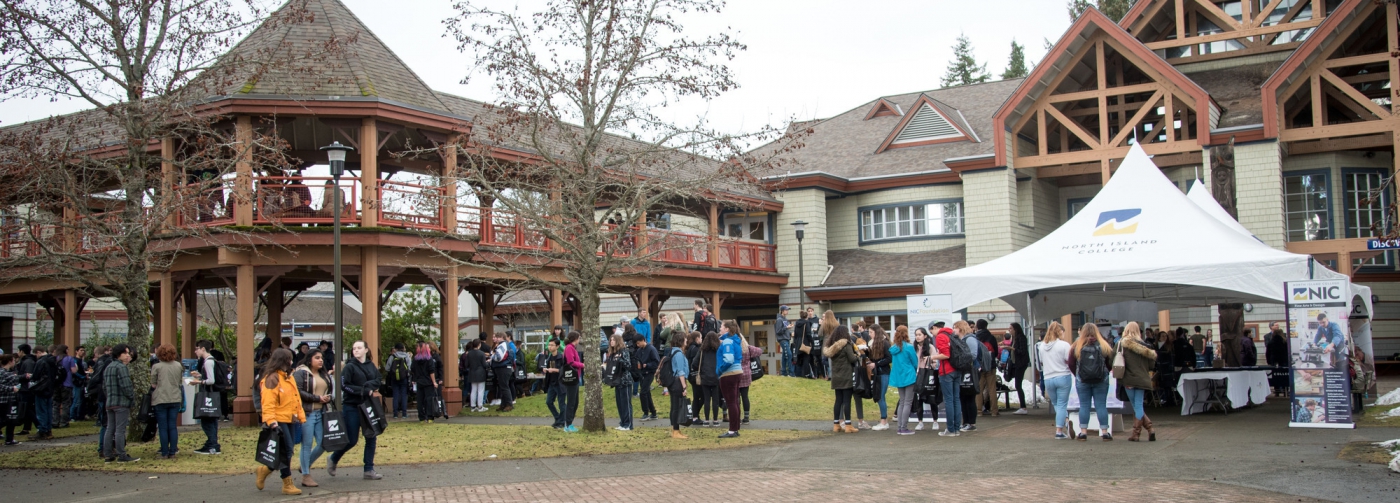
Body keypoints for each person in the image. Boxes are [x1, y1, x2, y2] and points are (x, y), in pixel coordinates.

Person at [327, 340, 384, 480]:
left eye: (359, 348)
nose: (356, 350)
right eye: (354, 348)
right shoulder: (349, 367)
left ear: (366, 350)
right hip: (352, 406)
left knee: (371, 436)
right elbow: (345, 385)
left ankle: (368, 469)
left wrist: (369, 387)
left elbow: (378, 379)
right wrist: (364, 390)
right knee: (351, 440)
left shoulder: (371, 365)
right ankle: (334, 458)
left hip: (367, 406)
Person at [255, 348, 303, 495]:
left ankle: (265, 470)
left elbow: (295, 398)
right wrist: (272, 421)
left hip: (290, 419)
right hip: (278, 419)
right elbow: (268, 402)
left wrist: (299, 416)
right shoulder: (272, 378)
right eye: (289, 358)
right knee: (286, 450)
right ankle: (287, 483)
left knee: (286, 451)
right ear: (283, 360)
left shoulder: (289, 377)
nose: (291, 361)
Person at [293, 348, 333, 488]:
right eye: (317, 358)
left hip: (320, 413)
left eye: (321, 358)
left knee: (323, 443)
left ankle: (305, 464)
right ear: (309, 359)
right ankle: (306, 475)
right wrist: (317, 398)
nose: (320, 360)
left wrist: (327, 398)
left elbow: (329, 389)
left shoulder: (323, 374)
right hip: (307, 413)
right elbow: (298, 391)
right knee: (307, 444)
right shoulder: (301, 373)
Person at [1067, 325, 1114, 441]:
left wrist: (1078, 374)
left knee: (1084, 405)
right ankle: (1104, 432)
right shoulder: (1103, 345)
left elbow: (1071, 363)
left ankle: (1083, 432)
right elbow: (1110, 362)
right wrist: (1105, 372)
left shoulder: (1076, 345)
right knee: (1101, 405)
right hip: (1101, 380)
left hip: (1082, 380)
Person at [1118, 322, 1158, 442]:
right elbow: (1152, 365)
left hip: (1128, 379)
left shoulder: (1121, 344)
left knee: (1136, 406)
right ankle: (1150, 429)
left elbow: (1112, 357)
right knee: (1138, 405)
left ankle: (1136, 434)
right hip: (1142, 380)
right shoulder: (1146, 346)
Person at [101, 344, 138, 463]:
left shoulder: (108, 367)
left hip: (110, 402)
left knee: (109, 428)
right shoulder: (121, 368)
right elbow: (126, 386)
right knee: (120, 430)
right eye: (125, 353)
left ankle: (107, 454)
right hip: (121, 402)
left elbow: (104, 386)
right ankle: (121, 454)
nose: (128, 355)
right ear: (119, 354)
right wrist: (131, 398)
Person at [1037, 321, 1072, 439]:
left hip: (1048, 378)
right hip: (1063, 376)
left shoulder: (1042, 346)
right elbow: (1069, 360)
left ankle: (1066, 421)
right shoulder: (1064, 345)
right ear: (1060, 332)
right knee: (1062, 404)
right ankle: (1059, 430)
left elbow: (1041, 362)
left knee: (1057, 404)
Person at [190, 340, 224, 454]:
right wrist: (200, 375)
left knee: (207, 420)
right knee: (212, 420)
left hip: (208, 394)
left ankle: (212, 444)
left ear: (203, 348)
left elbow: (211, 380)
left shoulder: (208, 362)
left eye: (197, 349)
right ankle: (212, 443)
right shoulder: (212, 360)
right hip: (213, 394)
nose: (196, 351)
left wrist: (198, 382)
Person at [824, 324, 859, 433]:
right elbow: (852, 359)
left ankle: (836, 425)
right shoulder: (846, 344)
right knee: (847, 401)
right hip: (846, 376)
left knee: (838, 400)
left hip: (836, 377)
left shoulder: (832, 347)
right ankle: (848, 425)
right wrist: (857, 355)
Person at [150, 344, 183, 459]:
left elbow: (153, 383)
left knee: (163, 427)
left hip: (160, 398)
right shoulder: (178, 365)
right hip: (174, 397)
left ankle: (164, 451)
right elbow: (179, 381)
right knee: (172, 426)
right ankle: (173, 451)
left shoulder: (157, 366)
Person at [715, 320, 746, 438]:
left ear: (727, 329)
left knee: (731, 402)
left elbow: (728, 359)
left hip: (729, 373)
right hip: (737, 371)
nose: (720, 329)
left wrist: (720, 370)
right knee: (735, 401)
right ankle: (735, 428)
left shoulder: (727, 341)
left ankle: (732, 430)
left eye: (721, 327)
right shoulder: (735, 340)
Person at [889, 325, 918, 435]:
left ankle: (900, 427)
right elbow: (915, 362)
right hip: (909, 376)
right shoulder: (909, 347)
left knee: (902, 401)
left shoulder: (894, 348)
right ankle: (904, 427)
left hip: (898, 377)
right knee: (907, 402)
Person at [865, 326, 892, 430]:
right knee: (879, 396)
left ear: (876, 332)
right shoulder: (872, 343)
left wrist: (876, 364)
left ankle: (884, 421)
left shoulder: (884, 343)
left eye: (871, 332)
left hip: (883, 372)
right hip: (877, 373)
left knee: (880, 396)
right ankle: (884, 420)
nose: (869, 334)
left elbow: (889, 358)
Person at [664, 330, 690, 438]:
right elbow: (680, 371)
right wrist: (684, 386)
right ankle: (675, 430)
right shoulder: (678, 353)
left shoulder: (672, 351)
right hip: (677, 382)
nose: (687, 341)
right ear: (681, 340)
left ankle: (676, 429)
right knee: (676, 407)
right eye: (685, 339)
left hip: (673, 382)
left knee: (675, 406)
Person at [606, 334, 634, 431]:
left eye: (613, 340)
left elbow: (628, 365)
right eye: (610, 340)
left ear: (618, 341)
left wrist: (620, 359)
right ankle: (622, 423)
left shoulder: (624, 351)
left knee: (626, 403)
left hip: (625, 380)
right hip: (616, 381)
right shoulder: (613, 353)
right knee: (620, 403)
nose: (611, 342)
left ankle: (628, 424)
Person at [28, 345, 56, 441]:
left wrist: (31, 378)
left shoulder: (41, 361)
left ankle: (42, 430)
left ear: (38, 352)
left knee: (41, 411)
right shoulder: (52, 360)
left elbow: (35, 376)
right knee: (48, 410)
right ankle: (48, 430)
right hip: (50, 388)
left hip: (41, 389)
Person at [974, 319, 1000, 417]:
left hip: (979, 366)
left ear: (977, 326)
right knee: (992, 389)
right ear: (986, 326)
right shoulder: (991, 337)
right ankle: (994, 411)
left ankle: (979, 411)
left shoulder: (975, 337)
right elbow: (996, 352)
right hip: (991, 365)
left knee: (979, 389)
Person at [737, 330, 762, 425]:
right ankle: (746, 417)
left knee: (736, 397)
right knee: (745, 396)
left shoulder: (734, 348)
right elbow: (760, 351)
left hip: (737, 373)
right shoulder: (748, 348)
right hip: (746, 373)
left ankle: (737, 416)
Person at [562, 332, 584, 432]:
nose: (579, 340)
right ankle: (568, 424)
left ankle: (570, 423)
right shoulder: (569, 348)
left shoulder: (571, 348)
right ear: (575, 338)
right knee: (571, 402)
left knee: (575, 402)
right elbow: (570, 362)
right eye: (579, 338)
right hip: (572, 377)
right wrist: (582, 365)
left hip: (575, 377)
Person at [633, 335, 659, 421]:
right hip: (642, 373)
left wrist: (647, 365)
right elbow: (636, 359)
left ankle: (646, 412)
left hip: (649, 373)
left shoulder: (651, 349)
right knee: (646, 392)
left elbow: (656, 362)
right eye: (636, 343)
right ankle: (653, 412)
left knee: (643, 392)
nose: (638, 345)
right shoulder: (639, 351)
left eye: (638, 343)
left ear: (643, 340)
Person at [697, 332, 721, 426]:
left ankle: (706, 420)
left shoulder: (702, 350)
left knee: (706, 399)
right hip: (716, 377)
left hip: (705, 377)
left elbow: (695, 363)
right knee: (716, 400)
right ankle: (715, 420)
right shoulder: (718, 349)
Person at [540, 340, 565, 428]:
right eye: (549, 345)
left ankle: (562, 422)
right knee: (549, 402)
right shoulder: (549, 357)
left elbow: (564, 370)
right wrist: (545, 369)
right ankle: (558, 418)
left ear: (557, 346)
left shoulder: (561, 357)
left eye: (552, 345)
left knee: (561, 403)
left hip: (560, 383)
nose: (550, 347)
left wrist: (554, 370)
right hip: (551, 383)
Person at [411, 342, 438, 422]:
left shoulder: (415, 359)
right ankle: (430, 417)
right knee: (429, 399)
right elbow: (431, 371)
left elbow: (413, 370)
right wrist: (434, 382)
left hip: (419, 382)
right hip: (428, 382)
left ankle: (421, 417)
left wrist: (415, 379)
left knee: (420, 400)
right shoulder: (429, 359)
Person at [1007, 323, 1031, 414]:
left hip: (1021, 363)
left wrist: (1012, 349)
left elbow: (1022, 351)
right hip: (1015, 363)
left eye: (1011, 328)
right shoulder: (1013, 338)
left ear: (1016, 329)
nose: (1009, 330)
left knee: (1018, 385)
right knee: (1017, 384)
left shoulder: (1021, 337)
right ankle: (1022, 406)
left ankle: (1023, 407)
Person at [490, 332, 515, 412]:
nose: (495, 339)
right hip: (505, 368)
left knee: (504, 387)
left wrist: (492, 355)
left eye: (497, 337)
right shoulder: (506, 344)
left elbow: (498, 357)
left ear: (501, 337)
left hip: (503, 368)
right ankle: (504, 404)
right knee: (504, 387)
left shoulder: (502, 345)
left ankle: (509, 404)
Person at [385, 343, 411, 419]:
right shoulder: (406, 356)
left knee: (395, 395)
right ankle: (404, 413)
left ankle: (395, 414)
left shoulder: (392, 356)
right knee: (403, 395)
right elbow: (409, 367)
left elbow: (387, 368)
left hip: (394, 379)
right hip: (404, 378)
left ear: (396, 349)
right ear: (403, 348)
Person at [462, 340, 489, 412]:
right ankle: (480, 406)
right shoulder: (481, 353)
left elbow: (466, 364)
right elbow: (484, 365)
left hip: (472, 372)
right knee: (481, 390)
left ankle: (473, 406)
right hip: (480, 373)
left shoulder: (469, 354)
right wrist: (488, 363)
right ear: (479, 345)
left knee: (473, 390)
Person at [1, 354, 22, 446]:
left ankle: (10, 439)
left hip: (11, 399)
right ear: (10, 361)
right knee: (5, 420)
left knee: (11, 420)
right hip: (3, 400)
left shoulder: (8, 372)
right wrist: (11, 388)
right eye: (13, 360)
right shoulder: (2, 372)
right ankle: (9, 439)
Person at [14, 345, 35, 437]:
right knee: (27, 409)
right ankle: (26, 428)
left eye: (18, 351)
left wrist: (17, 377)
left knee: (27, 409)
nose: (18, 353)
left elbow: (28, 375)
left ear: (22, 351)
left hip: (26, 389)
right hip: (25, 388)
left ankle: (39, 425)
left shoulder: (28, 362)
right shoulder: (26, 361)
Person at [1265, 322, 1290, 397]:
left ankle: (1277, 391)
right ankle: (1286, 390)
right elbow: (1287, 352)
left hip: (1274, 361)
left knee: (1275, 375)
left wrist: (1269, 361)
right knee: (1285, 376)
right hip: (1284, 361)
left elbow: (1267, 352)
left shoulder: (1271, 342)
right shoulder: (1285, 342)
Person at [54, 344, 75, 429]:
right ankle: (64, 422)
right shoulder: (69, 358)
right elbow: (74, 370)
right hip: (67, 383)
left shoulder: (55, 359)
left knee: (55, 403)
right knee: (66, 403)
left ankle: (55, 421)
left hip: (57, 383)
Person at [775, 305, 793, 377]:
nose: (787, 311)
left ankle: (783, 372)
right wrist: (786, 327)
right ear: (782, 311)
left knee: (784, 355)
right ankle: (790, 373)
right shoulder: (779, 320)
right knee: (789, 354)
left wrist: (791, 333)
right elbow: (778, 331)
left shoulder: (785, 319)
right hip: (782, 339)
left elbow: (785, 330)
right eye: (786, 310)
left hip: (786, 338)